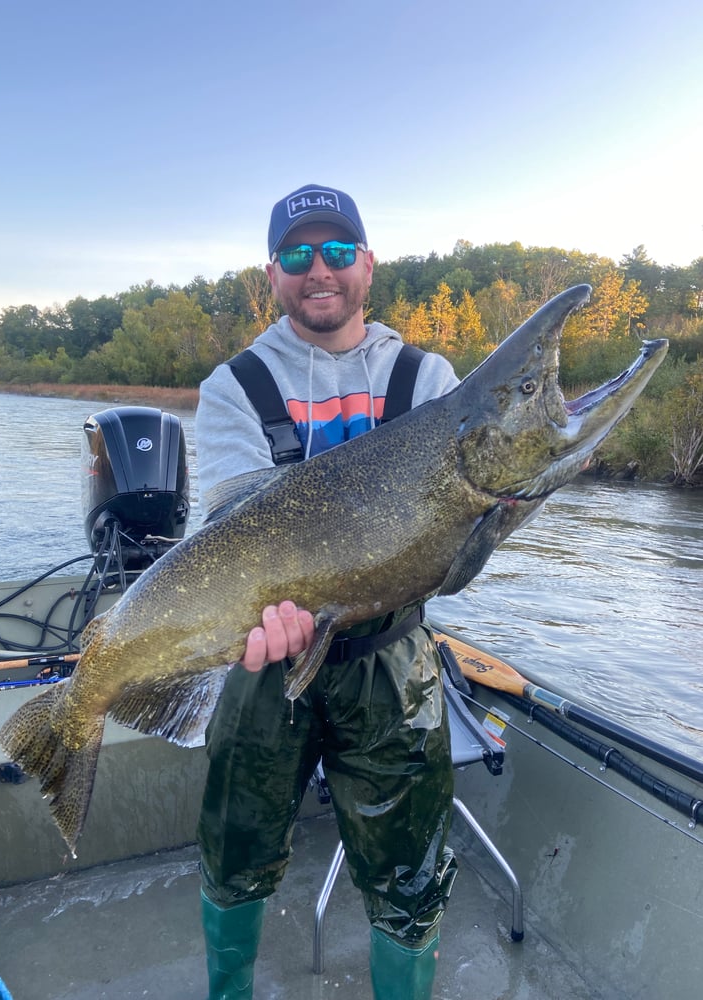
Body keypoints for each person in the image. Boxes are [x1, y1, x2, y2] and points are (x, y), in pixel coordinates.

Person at [194, 184, 460, 999]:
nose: (321, 270)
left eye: (338, 252)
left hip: (391, 657)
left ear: (367, 265)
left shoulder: (429, 377)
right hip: (262, 659)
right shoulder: (233, 386)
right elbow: (231, 537)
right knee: (235, 849)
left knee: (408, 877)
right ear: (271, 272)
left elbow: (452, 555)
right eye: (299, 255)